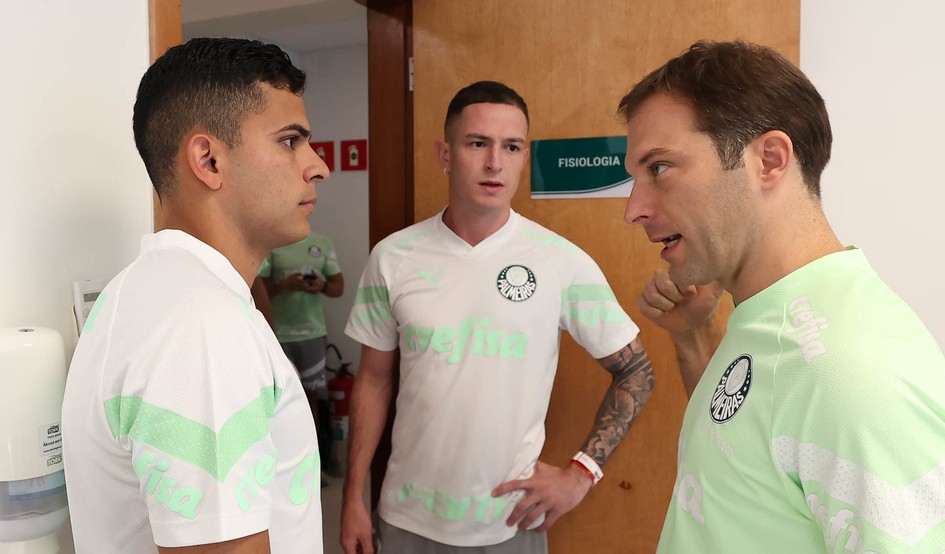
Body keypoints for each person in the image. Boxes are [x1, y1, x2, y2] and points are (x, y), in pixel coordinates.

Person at [620, 40, 945, 553]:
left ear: (768, 159)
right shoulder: (773, 319)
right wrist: (694, 336)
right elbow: (753, 445)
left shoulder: (849, 370)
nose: (633, 208)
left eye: (658, 168)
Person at [340, 81, 655, 553]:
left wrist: (580, 475)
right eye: (477, 144)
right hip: (407, 517)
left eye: (511, 147)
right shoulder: (393, 257)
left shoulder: (561, 262)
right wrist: (352, 498)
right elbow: (373, 382)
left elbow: (637, 370)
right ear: (445, 154)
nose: (494, 163)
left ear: (524, 159)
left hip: (511, 523)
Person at [61, 37, 329, 553]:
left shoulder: (161, 296)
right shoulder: (201, 327)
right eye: (291, 141)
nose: (317, 165)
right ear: (208, 161)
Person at [258, 232, 344, 477]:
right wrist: (284, 285)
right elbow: (257, 289)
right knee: (275, 401)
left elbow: (338, 287)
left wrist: (322, 285)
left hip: (312, 333)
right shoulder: (271, 243)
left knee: (310, 399)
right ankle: (278, 467)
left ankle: (312, 465)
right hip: (277, 335)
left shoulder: (322, 243)